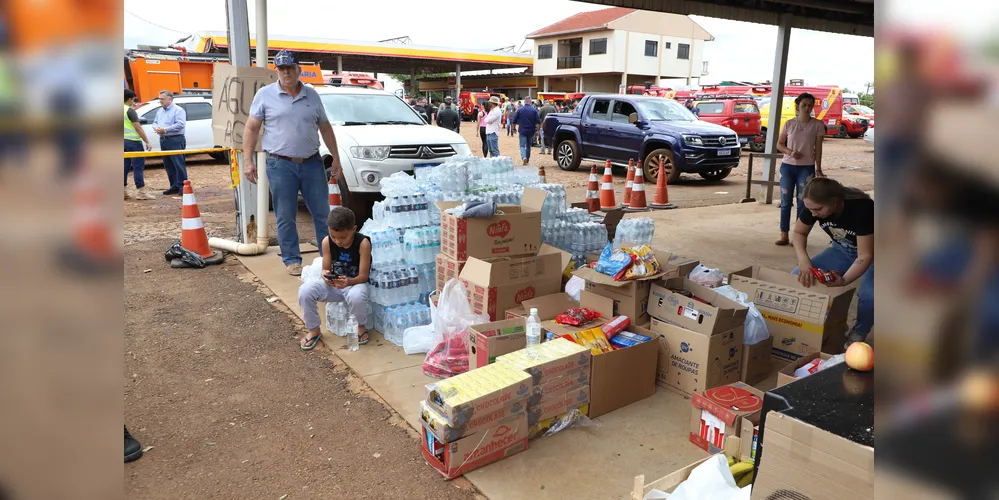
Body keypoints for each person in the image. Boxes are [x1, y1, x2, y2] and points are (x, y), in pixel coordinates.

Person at [242, 50, 342, 276]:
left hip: (312, 163)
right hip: (280, 164)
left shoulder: (312, 95)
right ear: (277, 71)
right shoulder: (265, 95)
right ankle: (291, 259)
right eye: (281, 69)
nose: (286, 73)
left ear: (299, 69)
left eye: (290, 68)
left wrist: (335, 157)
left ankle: (328, 256)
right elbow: (251, 128)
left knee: (322, 213)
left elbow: (325, 127)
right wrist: (248, 161)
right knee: (285, 214)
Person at [791, 177, 873, 347]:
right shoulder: (812, 206)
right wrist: (803, 260)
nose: (813, 214)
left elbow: (865, 255)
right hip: (842, 249)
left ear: (836, 202)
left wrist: (844, 280)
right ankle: (830, 325)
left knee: (869, 295)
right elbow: (799, 233)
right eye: (810, 209)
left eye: (818, 209)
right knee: (798, 277)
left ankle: (860, 330)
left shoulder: (863, 209)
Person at [298, 207, 371, 349]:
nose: (338, 241)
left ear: (354, 229)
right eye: (334, 236)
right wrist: (326, 277)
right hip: (333, 286)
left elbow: (363, 276)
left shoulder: (363, 243)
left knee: (357, 296)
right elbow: (326, 269)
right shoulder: (327, 242)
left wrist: (349, 281)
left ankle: (360, 326)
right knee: (305, 290)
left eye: (343, 237)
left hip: (354, 284)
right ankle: (314, 329)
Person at [774, 92, 826, 246]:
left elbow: (818, 148)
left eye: (810, 105)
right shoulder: (789, 123)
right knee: (785, 202)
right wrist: (790, 152)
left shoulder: (817, 125)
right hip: (787, 167)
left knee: (803, 203)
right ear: (798, 105)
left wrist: (818, 168)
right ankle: (784, 234)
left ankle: (799, 235)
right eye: (804, 105)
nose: (807, 108)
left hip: (807, 167)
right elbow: (779, 144)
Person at [152, 90, 188, 195]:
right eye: (159, 99)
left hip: (175, 140)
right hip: (164, 140)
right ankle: (174, 186)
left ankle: (183, 186)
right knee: (168, 165)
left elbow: (180, 124)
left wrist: (166, 130)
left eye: (162, 99)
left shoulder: (178, 110)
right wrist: (157, 128)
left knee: (178, 164)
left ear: (170, 99)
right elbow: (154, 122)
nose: (160, 101)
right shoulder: (160, 111)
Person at [123, 89, 155, 200]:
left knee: (123, 167)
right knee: (138, 167)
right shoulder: (130, 111)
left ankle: (123, 192)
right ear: (129, 99)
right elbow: (138, 128)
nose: (134, 102)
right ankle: (141, 192)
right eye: (133, 99)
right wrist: (147, 141)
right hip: (133, 143)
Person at [511, 96, 540, 166]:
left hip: (522, 130)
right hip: (531, 130)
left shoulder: (520, 110)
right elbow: (538, 122)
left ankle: (523, 157)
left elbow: (514, 120)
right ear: (530, 102)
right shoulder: (534, 110)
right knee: (528, 146)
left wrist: (514, 128)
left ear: (524, 102)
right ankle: (527, 158)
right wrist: (537, 130)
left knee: (522, 145)